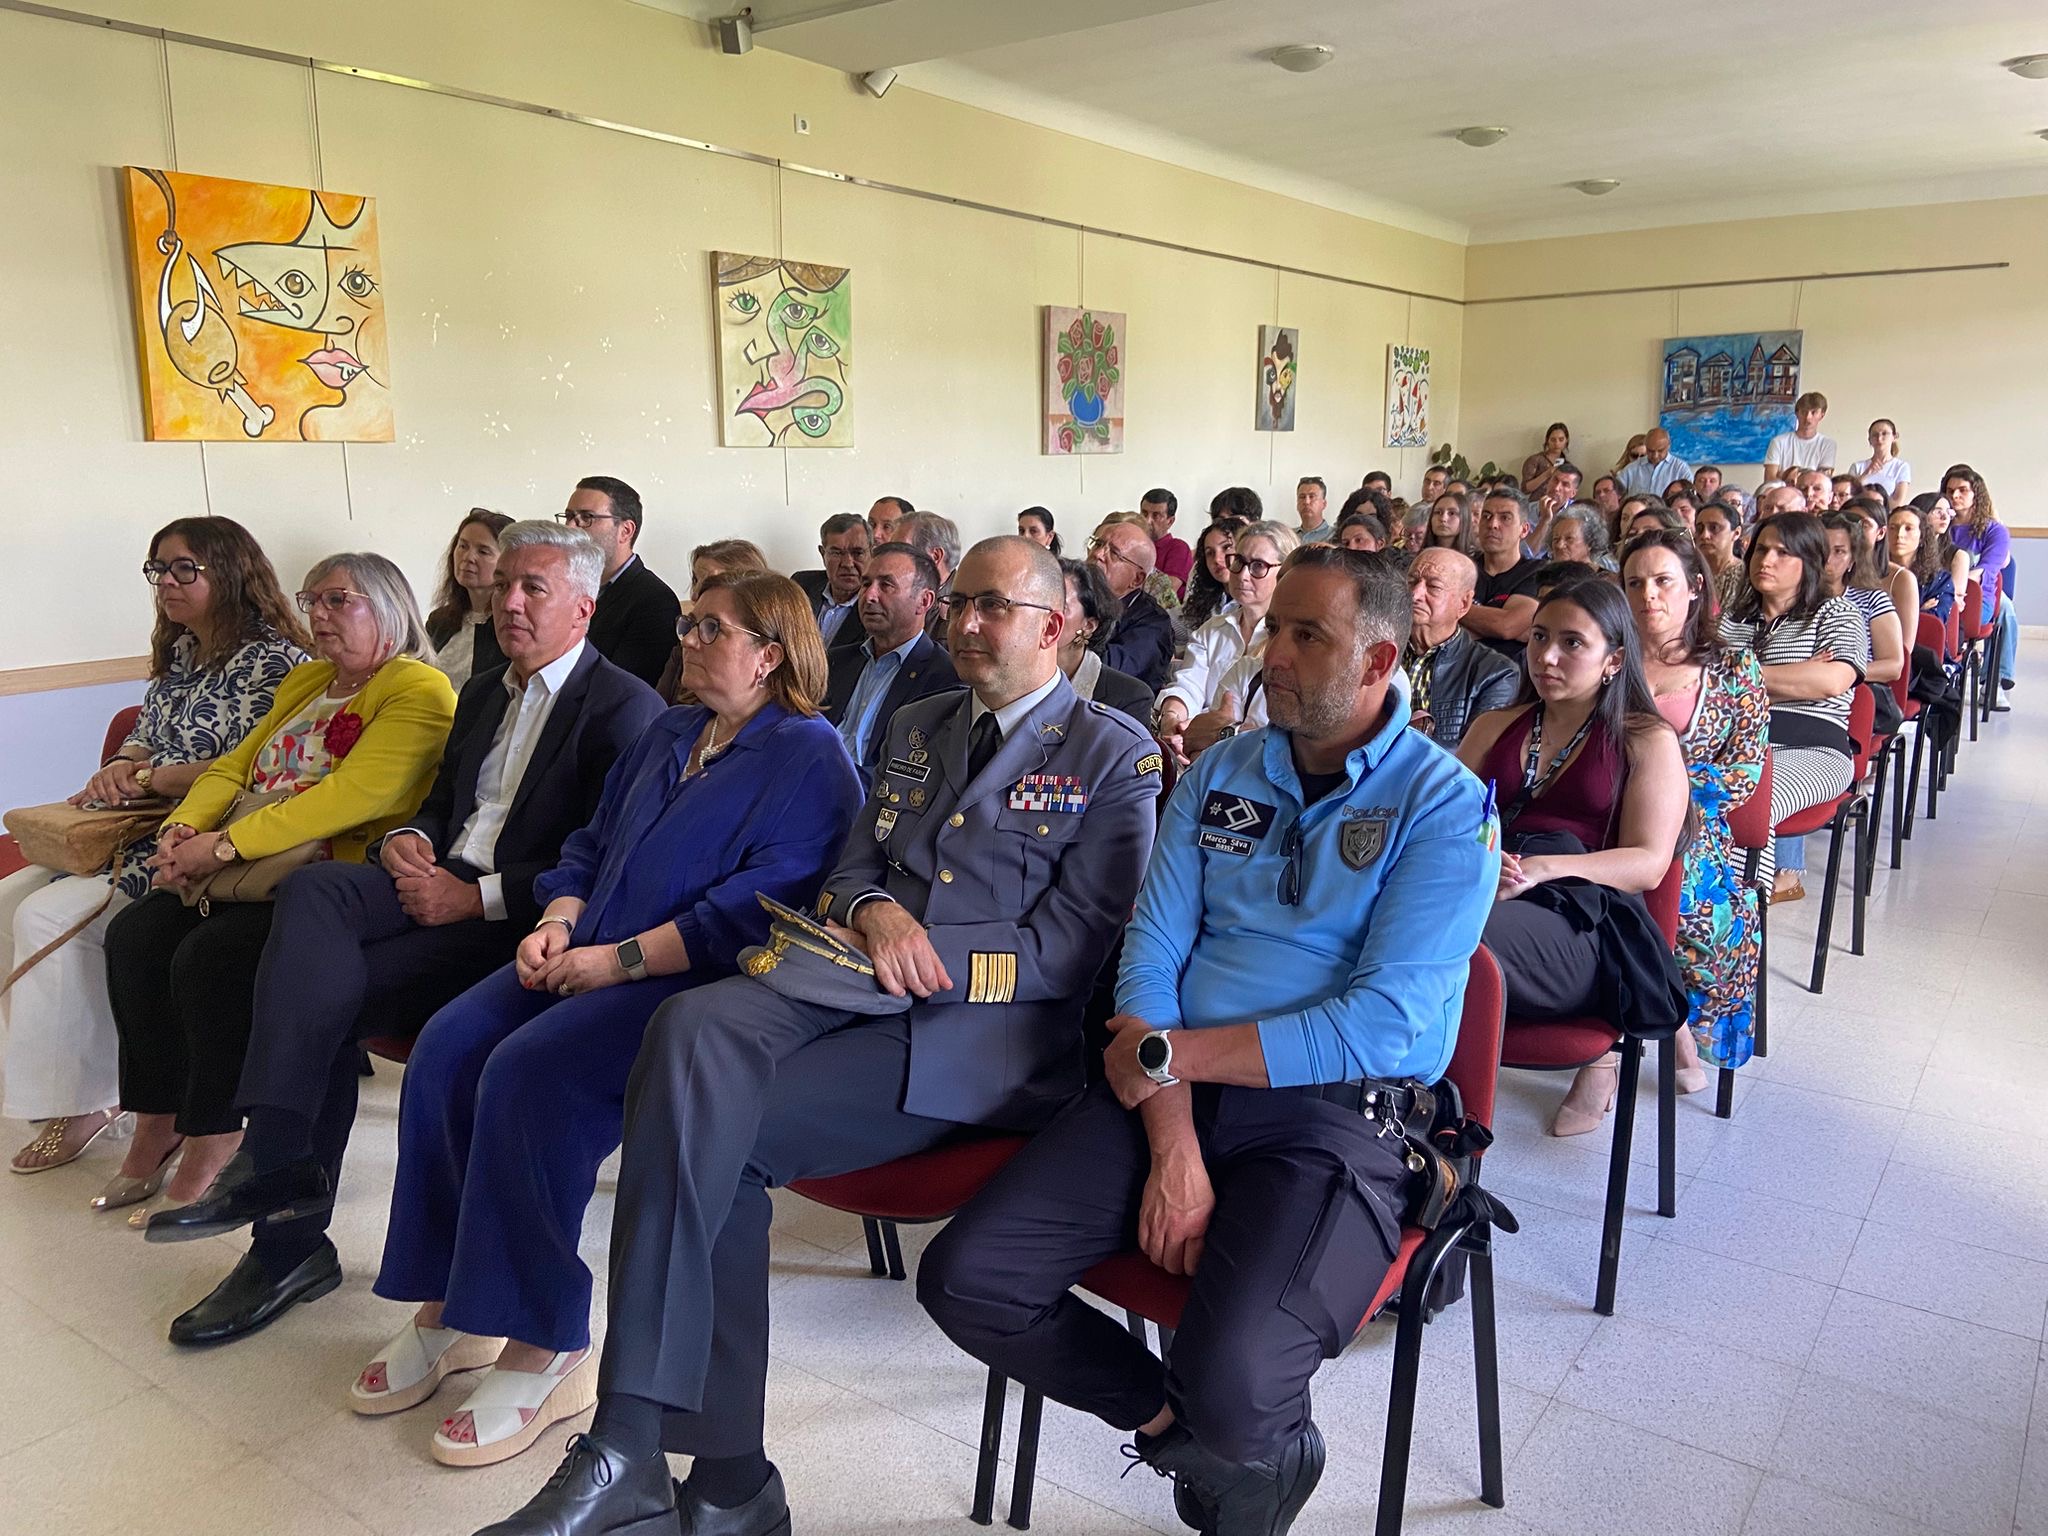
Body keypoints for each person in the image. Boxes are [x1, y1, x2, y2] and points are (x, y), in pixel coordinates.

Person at [476, 536, 1160, 1535]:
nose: (965, 623)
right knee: (687, 1026)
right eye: (959, 603)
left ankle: (690, 1466)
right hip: (844, 980)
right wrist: (875, 913)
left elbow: (1068, 951)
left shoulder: (1111, 753)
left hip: (981, 1039)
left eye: (993, 608)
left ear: (1052, 626)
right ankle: (667, 1463)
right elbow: (850, 871)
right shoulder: (921, 723)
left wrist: (922, 952)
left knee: (713, 1136)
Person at [920, 546, 1497, 1536]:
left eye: (1306, 636)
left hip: (1333, 1118)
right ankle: (1190, 1439)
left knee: (1233, 1375)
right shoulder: (1225, 770)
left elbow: (1382, 1025)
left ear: (1377, 660)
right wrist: (1174, 1141)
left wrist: (1168, 1058)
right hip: (1170, 1091)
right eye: (1275, 629)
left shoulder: (1442, 804)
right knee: (970, 1280)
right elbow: (1151, 955)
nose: (1273, 654)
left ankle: (1243, 1440)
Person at [363, 572, 863, 1468]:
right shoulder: (674, 729)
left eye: (710, 629)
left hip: (688, 984)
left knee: (530, 1074)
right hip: (587, 945)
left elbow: (756, 909)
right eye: (689, 623)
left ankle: (543, 1337)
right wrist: (557, 923)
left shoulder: (809, 755)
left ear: (769, 654)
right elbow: (589, 846)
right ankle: (449, 1305)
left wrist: (616, 962)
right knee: (447, 1047)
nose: (687, 639)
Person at [143, 523, 667, 1345]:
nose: (509, 602)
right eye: (503, 585)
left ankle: (283, 1229)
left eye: (533, 588)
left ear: (584, 607)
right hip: (433, 882)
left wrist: (476, 898)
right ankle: (279, 1167)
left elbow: (606, 863)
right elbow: (441, 803)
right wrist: (405, 840)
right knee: (315, 894)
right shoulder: (486, 690)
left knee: (316, 997)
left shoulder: (624, 708)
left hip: (517, 923)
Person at [102, 554, 456, 1223]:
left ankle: (215, 1133)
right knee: (136, 935)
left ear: (388, 606)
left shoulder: (417, 687)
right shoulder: (309, 680)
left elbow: (356, 796)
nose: (318, 614)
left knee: (210, 957)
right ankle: (157, 1120)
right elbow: (235, 768)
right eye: (311, 600)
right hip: (247, 863)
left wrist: (223, 845)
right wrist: (183, 828)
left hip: (327, 876)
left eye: (338, 600)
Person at [3, 518, 307, 1177]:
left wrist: (147, 779)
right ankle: (79, 1079)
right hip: (133, 823)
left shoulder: (275, 661)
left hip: (196, 837)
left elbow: (256, 768)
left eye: (183, 568)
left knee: (47, 916)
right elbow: (145, 731)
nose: (167, 582)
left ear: (231, 572)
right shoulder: (185, 652)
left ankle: (86, 1101)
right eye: (158, 569)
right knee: (8, 900)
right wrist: (121, 765)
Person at [1457, 579, 1690, 1136]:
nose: (1546, 657)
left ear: (1614, 660)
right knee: (1386, 922)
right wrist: (1482, 861)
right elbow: (1442, 824)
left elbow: (1649, 863)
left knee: (1449, 937)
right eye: (1539, 638)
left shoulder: (1645, 739)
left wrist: (1543, 868)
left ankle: (1440, 1126)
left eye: (1572, 643)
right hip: (1489, 888)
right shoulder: (1495, 726)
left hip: (1582, 918)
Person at [1616, 531, 1767, 1087]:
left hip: (1693, 829)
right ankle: (1624, 1046)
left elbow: (1745, 772)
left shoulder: (1734, 668)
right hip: (1604, 818)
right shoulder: (1607, 660)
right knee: (1591, 896)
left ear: (1695, 588)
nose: (1648, 595)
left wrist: (1660, 793)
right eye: (1635, 583)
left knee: (1680, 902)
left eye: (1663, 581)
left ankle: (1644, 1037)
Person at [1717, 514, 1868, 902]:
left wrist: (1739, 676)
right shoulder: (1732, 622)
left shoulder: (1837, 613)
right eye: (1761, 550)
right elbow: (1704, 684)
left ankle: (1740, 909)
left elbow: (1831, 682)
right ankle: (1691, 904)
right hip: (1735, 744)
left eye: (1783, 553)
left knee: (1749, 794)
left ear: (1810, 561)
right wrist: (1795, 678)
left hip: (1814, 749)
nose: (1766, 560)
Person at [1154, 521, 1299, 763]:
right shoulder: (1213, 630)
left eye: (1258, 566)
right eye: (1239, 561)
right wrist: (1172, 718)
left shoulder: (1290, 641)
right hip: (1195, 748)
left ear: (1285, 573)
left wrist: (1213, 732)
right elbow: (1189, 684)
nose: (1242, 575)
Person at [821, 543, 959, 790]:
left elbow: (915, 774)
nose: (869, 596)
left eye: (886, 585)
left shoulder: (945, 678)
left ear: (924, 601)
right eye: (866, 584)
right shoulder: (835, 661)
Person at [558, 477, 680, 689]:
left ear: (625, 531)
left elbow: (624, 688)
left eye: (586, 517)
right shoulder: (564, 587)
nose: (570, 527)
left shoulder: (655, 601)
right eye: (569, 516)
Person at [1404, 548, 1520, 750]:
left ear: (1464, 604)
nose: (1415, 594)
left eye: (1433, 586)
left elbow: (1474, 753)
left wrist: (1396, 744)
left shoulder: (1496, 673)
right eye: (1412, 581)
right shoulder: (1377, 650)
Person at [1941, 464, 2016, 702]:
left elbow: (1986, 570)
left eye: (1962, 490)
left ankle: (1995, 682)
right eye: (1950, 491)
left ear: (1976, 494)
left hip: (1976, 596)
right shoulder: (1939, 525)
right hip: (1942, 594)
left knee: (2006, 610)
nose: (1955, 496)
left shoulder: (1994, 530)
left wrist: (1949, 588)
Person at [424, 510, 513, 690]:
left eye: (483, 551)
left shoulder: (512, 626)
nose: (468, 557)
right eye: (463, 546)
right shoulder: (439, 621)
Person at [1057, 557, 1154, 722]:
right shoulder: (1016, 674)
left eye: (1060, 606)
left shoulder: (1130, 698)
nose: (1042, 614)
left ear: (1088, 626)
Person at [1463, 487, 1545, 659]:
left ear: (1524, 530)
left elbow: (1507, 626)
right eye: (1486, 516)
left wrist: (1450, 608)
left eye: (1505, 518)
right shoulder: (1463, 566)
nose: (1493, 524)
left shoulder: (1536, 572)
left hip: (1505, 668)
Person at [1091, 520, 1174, 690]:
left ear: (1137, 579)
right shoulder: (1073, 595)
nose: (1098, 554)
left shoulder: (1153, 623)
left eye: (1114, 553)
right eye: (1098, 544)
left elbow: (1104, 673)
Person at [791, 513, 871, 648]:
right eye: (836, 553)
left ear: (872, 553)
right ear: (823, 554)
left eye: (858, 553)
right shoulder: (801, 585)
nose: (848, 563)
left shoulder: (877, 604)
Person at [1889, 503, 1947, 628]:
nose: (1899, 534)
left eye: (1908, 528)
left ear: (1921, 537)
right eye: (1893, 528)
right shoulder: (1873, 573)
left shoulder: (1940, 580)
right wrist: (1919, 611)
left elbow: (1932, 625)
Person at [1182, 520, 1242, 632]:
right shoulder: (1206, 601)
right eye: (1210, 553)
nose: (1217, 559)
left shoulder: (1256, 603)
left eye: (1226, 547)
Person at [1764, 391, 1838, 481]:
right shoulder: (1778, 442)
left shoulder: (1828, 444)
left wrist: (1784, 475)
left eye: (1814, 412)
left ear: (1822, 415)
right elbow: (1770, 479)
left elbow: (1823, 480)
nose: (1808, 417)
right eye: (1803, 412)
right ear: (1797, 413)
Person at [1849, 419, 1912, 508]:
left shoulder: (1901, 467)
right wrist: (1865, 474)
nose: (1879, 438)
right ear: (1869, 440)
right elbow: (1847, 496)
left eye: (1884, 433)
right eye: (1875, 435)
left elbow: (1898, 503)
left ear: (1894, 437)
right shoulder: (1857, 466)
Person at [1694, 500, 1744, 609]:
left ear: (1736, 533)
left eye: (1714, 528)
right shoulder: (1690, 572)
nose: (1705, 535)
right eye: (1699, 529)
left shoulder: (1745, 577)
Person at [1142, 488, 1193, 594]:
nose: (1147, 521)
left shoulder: (1178, 548)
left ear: (1170, 521)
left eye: (1156, 515)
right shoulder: (1134, 546)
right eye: (1144, 513)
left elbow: (1165, 591)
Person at [1616, 428, 1692, 498]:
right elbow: (1615, 493)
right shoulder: (1631, 468)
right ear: (1646, 446)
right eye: (1650, 451)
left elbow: (1689, 497)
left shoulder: (1680, 468)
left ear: (1668, 446)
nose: (1655, 456)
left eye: (1660, 451)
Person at [1544, 503, 1611, 570]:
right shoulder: (1545, 575)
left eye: (1569, 538)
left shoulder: (1603, 576)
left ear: (1590, 543)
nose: (1559, 545)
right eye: (1556, 539)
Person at [1522, 421, 1572, 500]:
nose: (1557, 443)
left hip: (1560, 504)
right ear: (1547, 440)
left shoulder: (1567, 465)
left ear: (1566, 441)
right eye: (1553, 440)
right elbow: (1525, 489)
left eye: (1561, 439)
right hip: (1537, 503)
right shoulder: (1536, 459)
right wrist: (1546, 474)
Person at [1293, 476, 1331, 543]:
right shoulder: (1288, 536)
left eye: (1312, 497)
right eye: (1302, 497)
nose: (1306, 502)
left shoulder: (1336, 536)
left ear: (1324, 504)